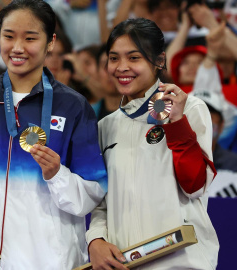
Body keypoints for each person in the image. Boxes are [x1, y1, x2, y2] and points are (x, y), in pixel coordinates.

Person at [0, 0, 108, 268]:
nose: (18, 48)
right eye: (8, 36)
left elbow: (91, 196)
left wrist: (57, 174)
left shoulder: (72, 107)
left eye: (30, 38)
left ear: (51, 42)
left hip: (50, 257)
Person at [86, 18, 219, 270]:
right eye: (114, 58)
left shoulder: (189, 108)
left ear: (159, 60)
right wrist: (96, 240)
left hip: (181, 262)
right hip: (125, 262)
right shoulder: (105, 126)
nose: (121, 67)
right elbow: (101, 202)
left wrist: (177, 122)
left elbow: (195, 186)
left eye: (134, 58)